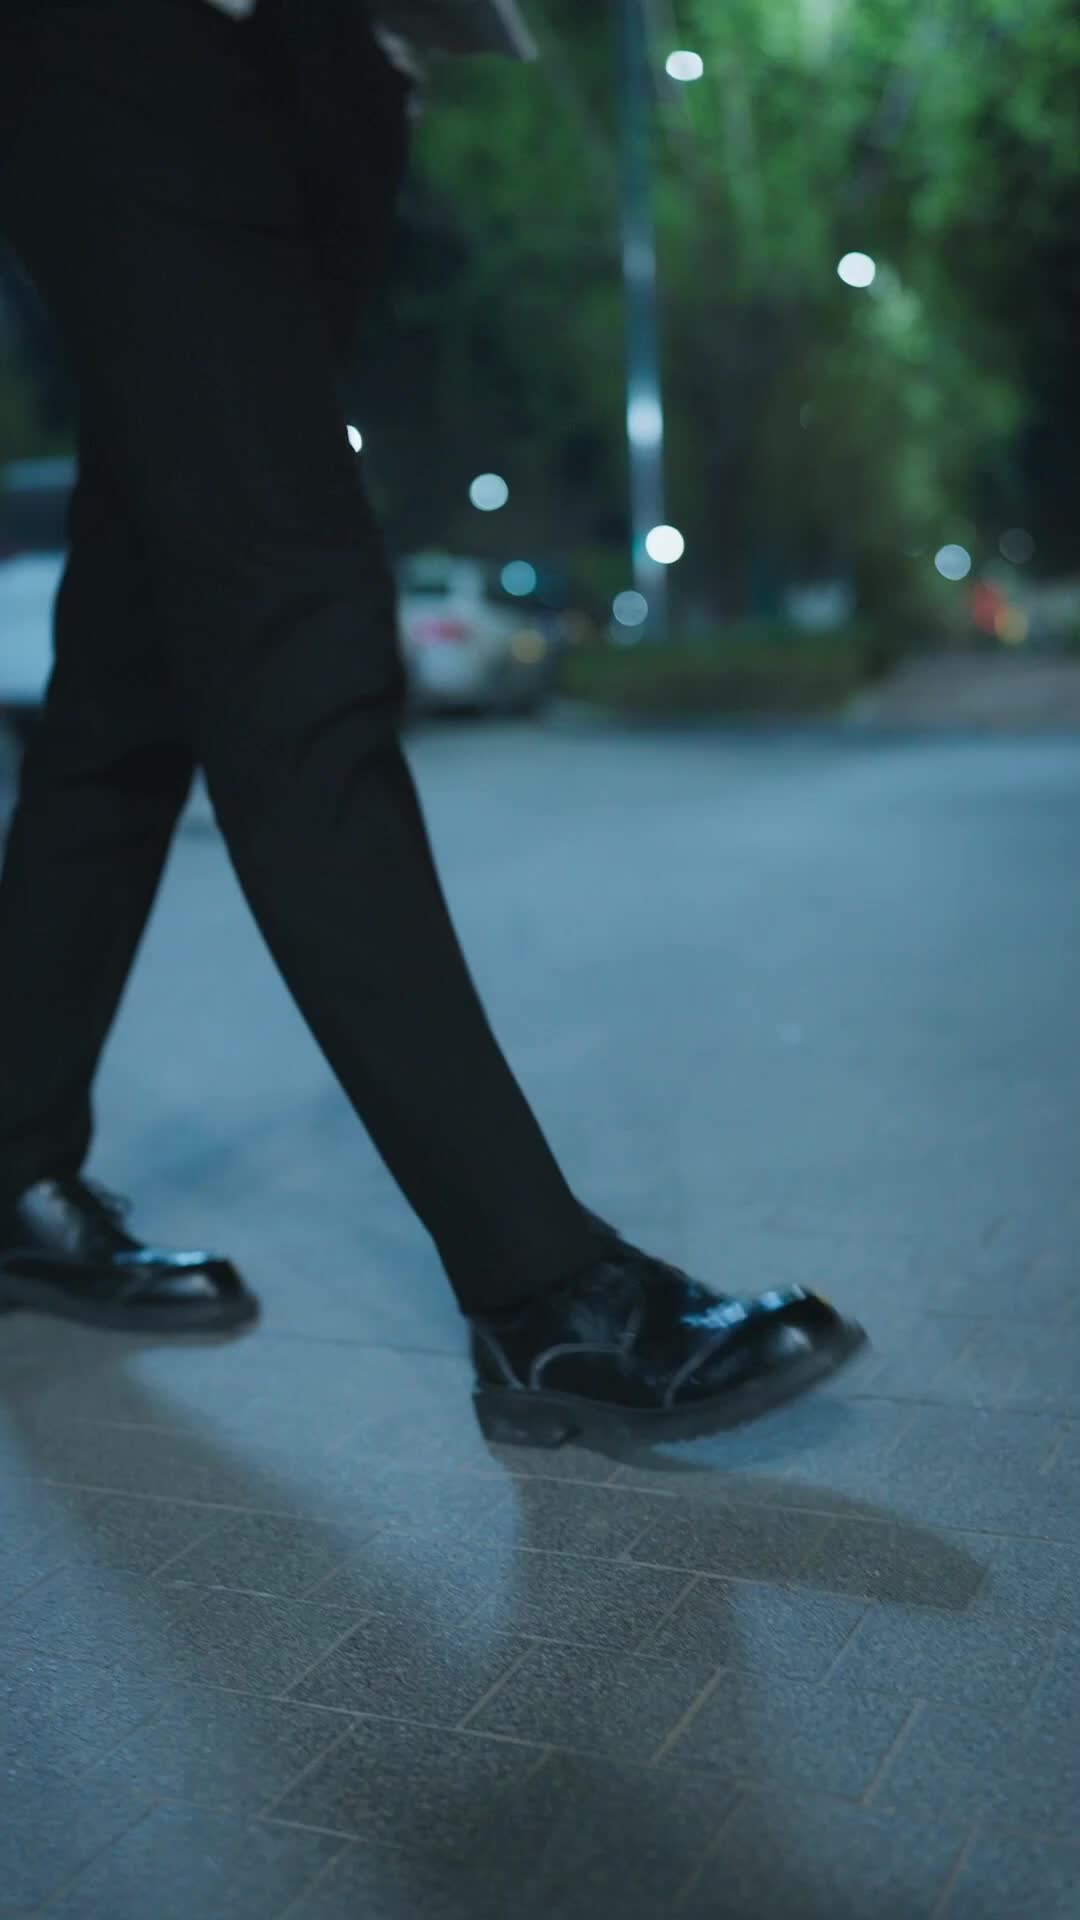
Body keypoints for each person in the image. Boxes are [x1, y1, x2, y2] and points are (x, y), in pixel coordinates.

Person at [0, 0, 864, 1451]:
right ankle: (541, 1288)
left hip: (340, 54)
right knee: (295, 600)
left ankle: (12, 1167)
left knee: (134, 649)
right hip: (121, 34)